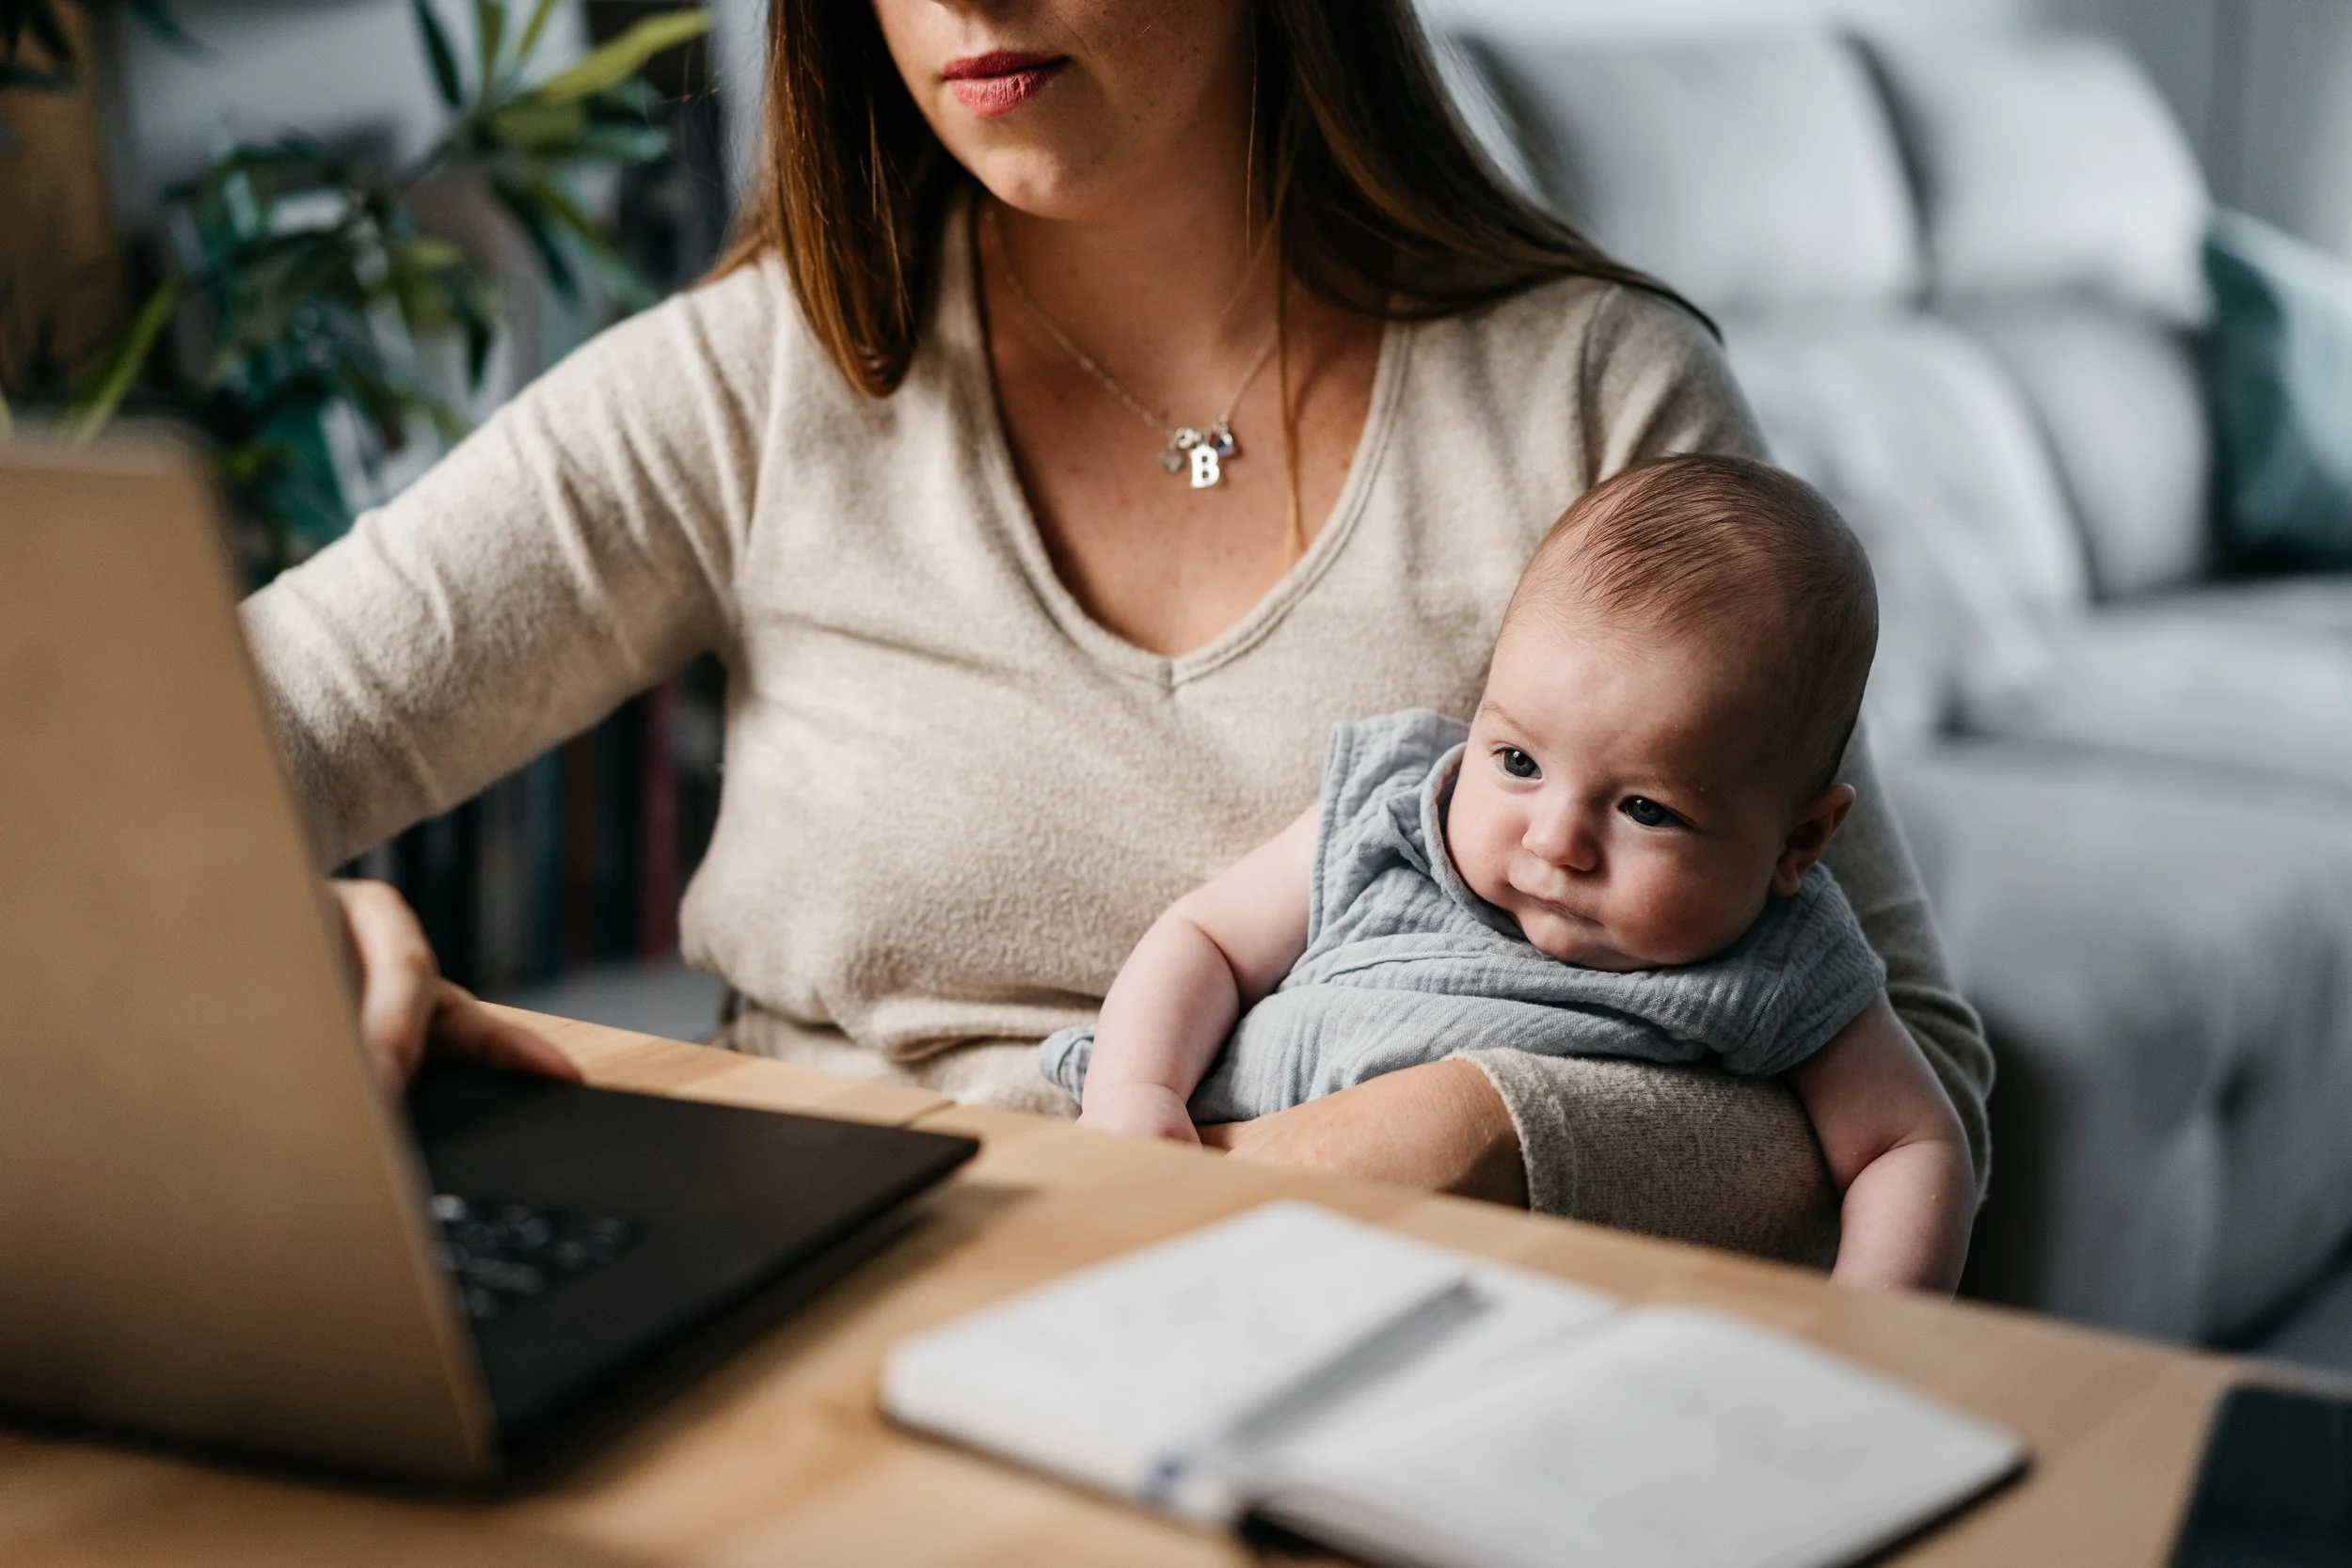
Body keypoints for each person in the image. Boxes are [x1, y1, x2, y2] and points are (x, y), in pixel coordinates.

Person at [251, 0, 1993, 1263]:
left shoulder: (1592, 402)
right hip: (814, 1306)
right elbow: (163, 746)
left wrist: (1451, 1135)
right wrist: (245, 925)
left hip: (1399, 1356)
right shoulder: (758, 378)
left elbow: (1921, 1088)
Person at [1048, 456, 1974, 1291]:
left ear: (1796, 844)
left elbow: (1909, 1140)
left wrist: (1867, 1325)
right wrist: (1137, 1094)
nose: (1557, 839)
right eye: (1519, 762)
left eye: (1645, 809)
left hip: (1483, 1300)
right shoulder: (1393, 810)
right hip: (1187, 1183)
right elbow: (1202, 938)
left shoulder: (1785, 959)